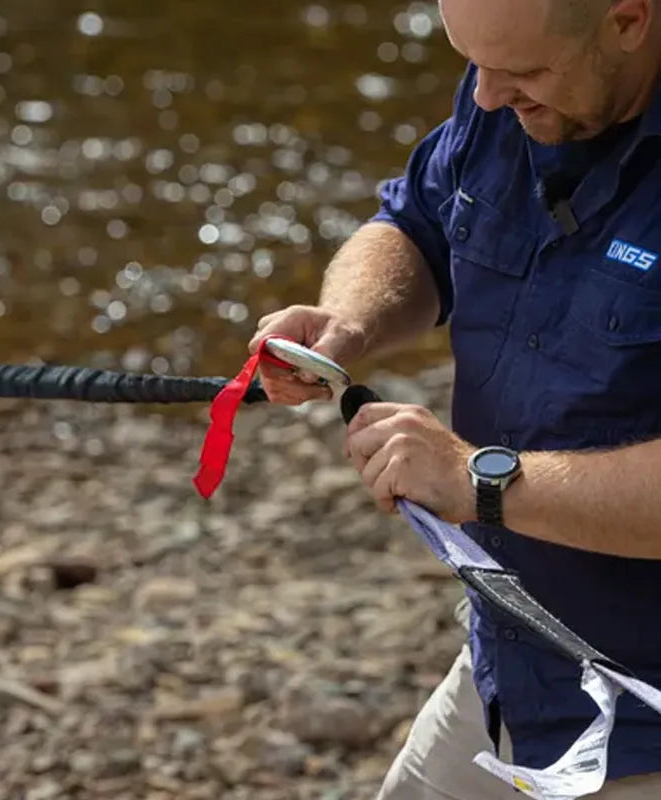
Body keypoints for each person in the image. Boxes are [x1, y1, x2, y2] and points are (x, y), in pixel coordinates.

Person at [248, 0, 661, 797]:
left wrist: (483, 482)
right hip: (517, 670)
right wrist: (348, 321)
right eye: (474, 62)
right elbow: (416, 222)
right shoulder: (506, 92)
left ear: (629, 19)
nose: (486, 97)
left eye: (524, 71)